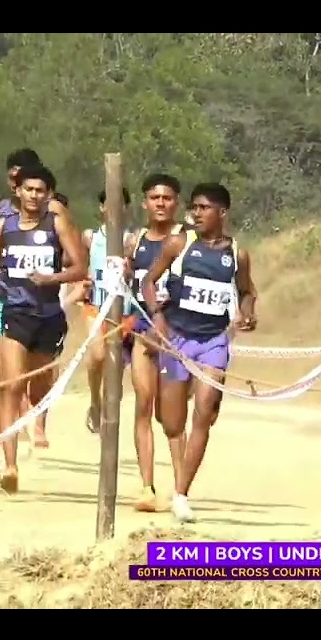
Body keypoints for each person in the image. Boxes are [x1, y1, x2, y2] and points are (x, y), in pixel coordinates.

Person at [142, 182, 258, 522]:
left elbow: (248, 291)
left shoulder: (237, 254)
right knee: (171, 421)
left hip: (213, 341)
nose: (196, 213)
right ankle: (177, 480)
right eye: (193, 207)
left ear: (222, 213)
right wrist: (158, 316)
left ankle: (181, 493)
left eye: (203, 208)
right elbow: (149, 281)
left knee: (205, 411)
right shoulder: (179, 244)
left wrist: (248, 312)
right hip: (176, 339)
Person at [0, 164, 87, 494]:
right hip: (14, 311)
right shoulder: (2, 226)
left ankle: (34, 429)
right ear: (18, 192)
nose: (34, 196)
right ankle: (9, 466)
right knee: (11, 388)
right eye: (29, 190)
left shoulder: (57, 224)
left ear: (48, 195)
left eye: (41, 191)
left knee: (37, 391)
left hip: (49, 315)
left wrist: (52, 278)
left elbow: (80, 265)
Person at [119, 174, 184, 512]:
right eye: (154, 198)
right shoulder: (135, 240)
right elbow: (124, 282)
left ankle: (180, 491)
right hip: (142, 329)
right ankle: (147, 487)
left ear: (176, 202)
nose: (161, 203)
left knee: (170, 416)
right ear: (145, 202)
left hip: (176, 333)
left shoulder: (186, 241)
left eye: (167, 198)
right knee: (143, 403)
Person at [66, 188, 138, 434]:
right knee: (97, 355)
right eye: (109, 204)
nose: (114, 209)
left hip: (125, 312)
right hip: (96, 307)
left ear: (127, 208)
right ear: (101, 207)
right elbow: (79, 265)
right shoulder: (90, 237)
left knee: (116, 367)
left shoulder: (134, 239)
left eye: (120, 204)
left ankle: (109, 420)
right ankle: (95, 401)